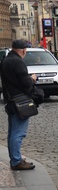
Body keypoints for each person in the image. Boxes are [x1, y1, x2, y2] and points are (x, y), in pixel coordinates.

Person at [0, 40, 37, 170]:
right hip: (19, 102)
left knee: (13, 132)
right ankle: (16, 161)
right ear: (23, 50)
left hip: (11, 100)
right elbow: (25, 83)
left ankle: (16, 158)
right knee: (18, 133)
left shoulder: (7, 59)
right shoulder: (17, 61)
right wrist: (32, 78)